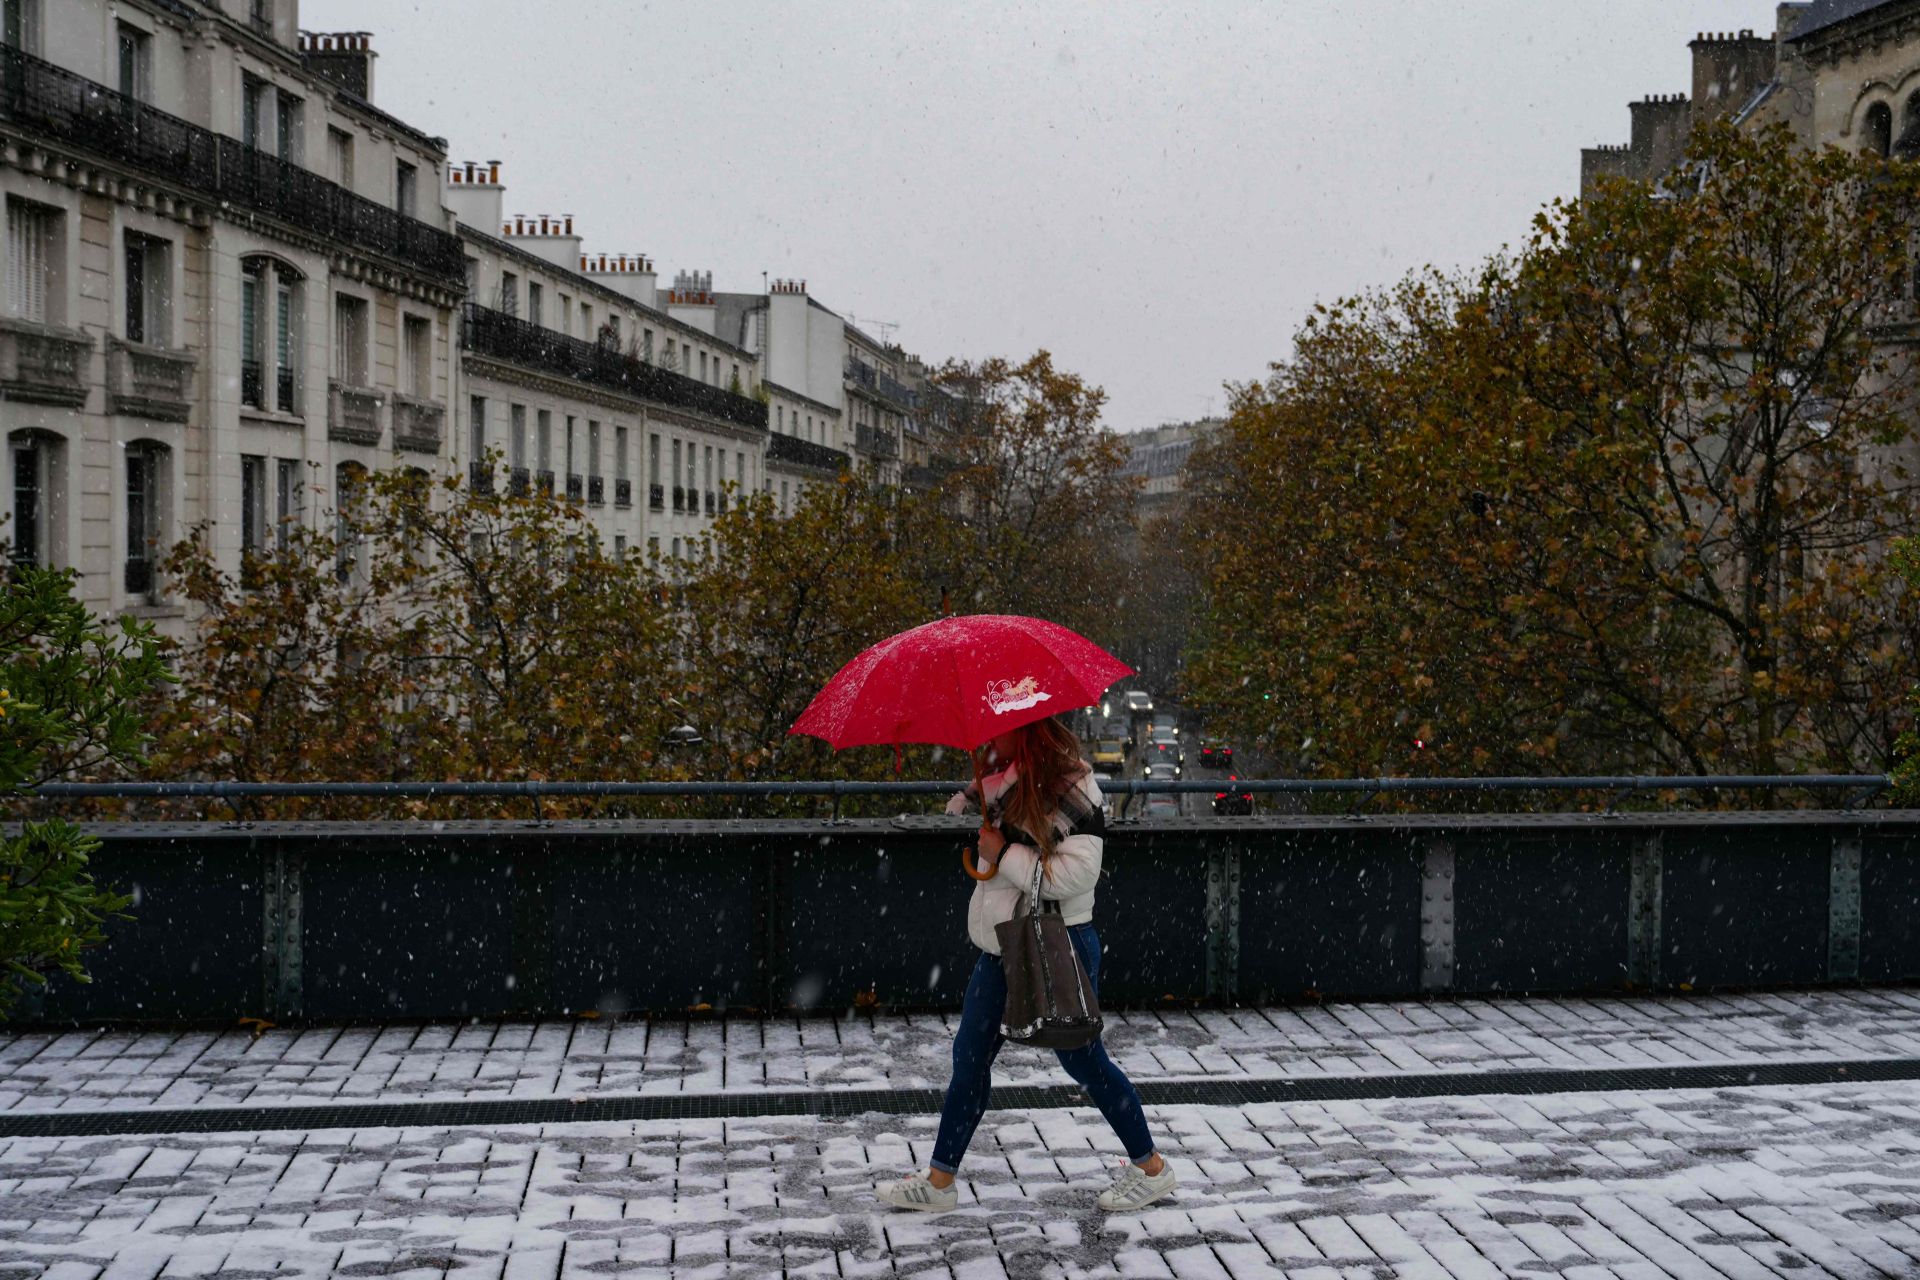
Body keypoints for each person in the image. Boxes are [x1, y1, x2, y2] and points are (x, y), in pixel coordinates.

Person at [876, 715, 1177, 1214]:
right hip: (1002, 945)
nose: (989, 739)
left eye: (1000, 729)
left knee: (1082, 1059)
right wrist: (985, 833)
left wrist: (1005, 852)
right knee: (969, 1058)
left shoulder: (1073, 787)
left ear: (1029, 730)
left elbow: (1077, 875)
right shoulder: (998, 787)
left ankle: (1151, 1169)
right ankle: (939, 1180)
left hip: (1059, 941)